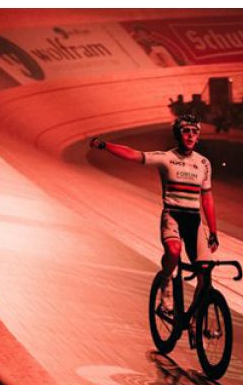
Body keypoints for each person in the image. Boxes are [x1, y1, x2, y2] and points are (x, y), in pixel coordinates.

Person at [89, 115, 220, 312]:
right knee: (173, 251)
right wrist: (104, 145)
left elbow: (207, 198)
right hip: (173, 215)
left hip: (194, 220)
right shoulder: (166, 157)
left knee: (205, 273)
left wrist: (214, 232)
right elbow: (134, 155)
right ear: (178, 134)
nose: (191, 136)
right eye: (186, 131)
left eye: (195, 132)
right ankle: (166, 281)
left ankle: (194, 320)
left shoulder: (204, 163)